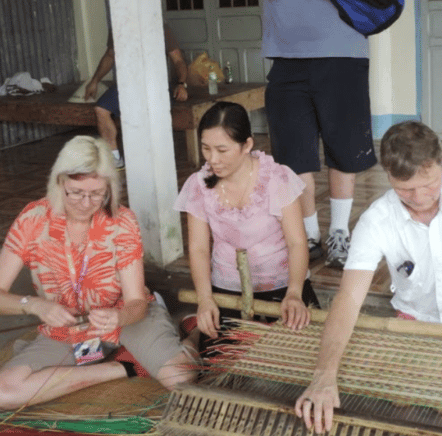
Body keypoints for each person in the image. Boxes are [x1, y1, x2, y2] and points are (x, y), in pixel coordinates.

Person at [294, 120, 442, 433]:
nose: (419, 198)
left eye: (430, 184)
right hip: (419, 319)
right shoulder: (377, 219)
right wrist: (324, 375)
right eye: (405, 189)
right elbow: (349, 297)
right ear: (388, 174)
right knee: (402, 397)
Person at [0, 135, 198, 410]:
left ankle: (195, 329)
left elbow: (135, 303)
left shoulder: (121, 221)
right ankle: (125, 366)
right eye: (76, 192)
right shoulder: (33, 220)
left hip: (123, 318)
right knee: (4, 392)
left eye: (97, 194)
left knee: (182, 379)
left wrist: (117, 316)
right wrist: (33, 304)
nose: (85, 202)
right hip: (67, 327)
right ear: (59, 183)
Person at [174, 101, 319, 342]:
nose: (213, 159)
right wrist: (205, 298)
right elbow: (198, 249)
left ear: (247, 145)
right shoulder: (199, 184)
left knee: (301, 355)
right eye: (206, 149)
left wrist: (294, 293)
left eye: (222, 150)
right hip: (227, 289)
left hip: (283, 284)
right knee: (221, 365)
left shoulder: (276, 178)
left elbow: (297, 242)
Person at [261, 0, 378, 268]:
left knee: (345, 146)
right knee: (293, 152)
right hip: (285, 53)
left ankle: (339, 232)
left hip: (343, 49)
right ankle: (308, 233)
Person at [84, 24, 189, 170]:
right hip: (127, 84)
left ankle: (157, 161)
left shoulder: (159, 27)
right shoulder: (118, 25)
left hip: (156, 84)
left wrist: (181, 83)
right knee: (101, 109)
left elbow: (178, 61)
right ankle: (115, 158)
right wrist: (94, 81)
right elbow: (109, 56)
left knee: (146, 113)